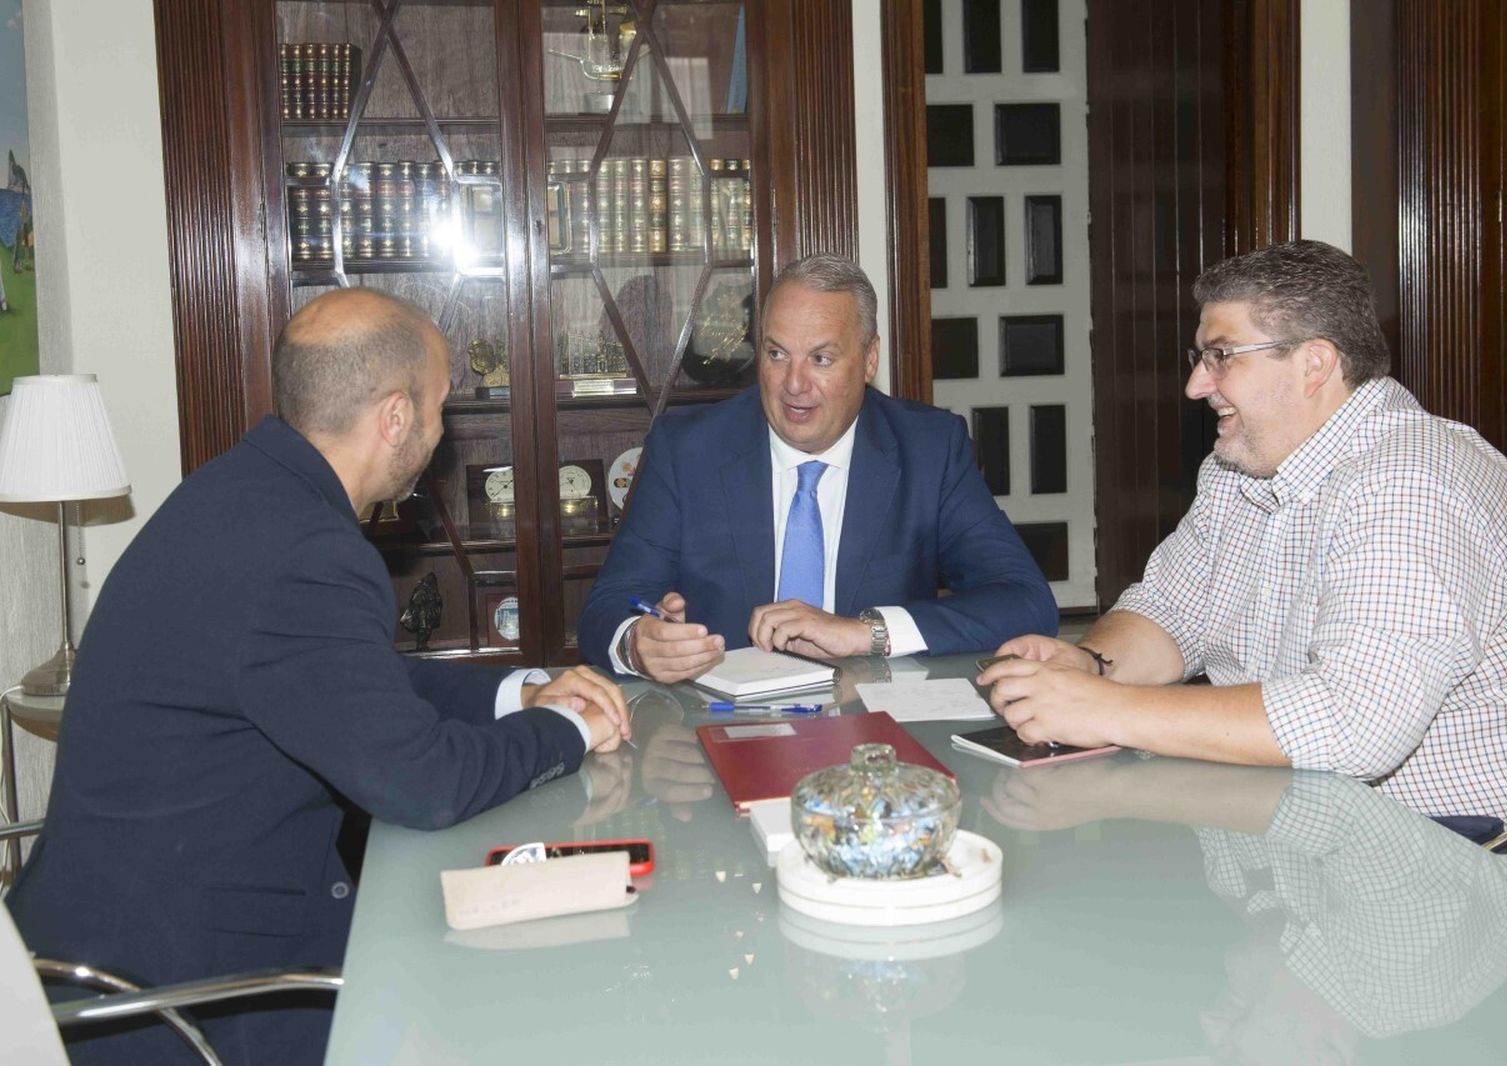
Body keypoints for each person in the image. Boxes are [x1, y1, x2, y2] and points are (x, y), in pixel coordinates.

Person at [6, 288, 631, 1065]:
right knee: (519, 1017)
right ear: (396, 418)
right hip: (179, 1003)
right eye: (439, 410)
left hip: (105, 943)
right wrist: (567, 731)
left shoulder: (243, 491)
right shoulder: (307, 550)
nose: (441, 437)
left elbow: (344, 685)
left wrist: (519, 693)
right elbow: (421, 785)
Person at [980, 240, 1507, 828]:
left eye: (1221, 355)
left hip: (1496, 860)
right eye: (1201, 358)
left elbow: (1354, 724)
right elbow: (1172, 611)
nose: (1197, 384)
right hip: (1322, 831)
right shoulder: (1239, 467)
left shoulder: (1415, 482)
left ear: (1314, 364)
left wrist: (1103, 709)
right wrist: (1093, 665)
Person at [577, 254, 1058, 681]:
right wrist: (637, 644)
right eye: (776, 354)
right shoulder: (687, 450)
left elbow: (1025, 601)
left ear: (869, 359)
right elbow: (607, 608)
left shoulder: (928, 450)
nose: (794, 385)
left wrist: (864, 633)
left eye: (821, 359)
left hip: (872, 736)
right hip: (718, 726)